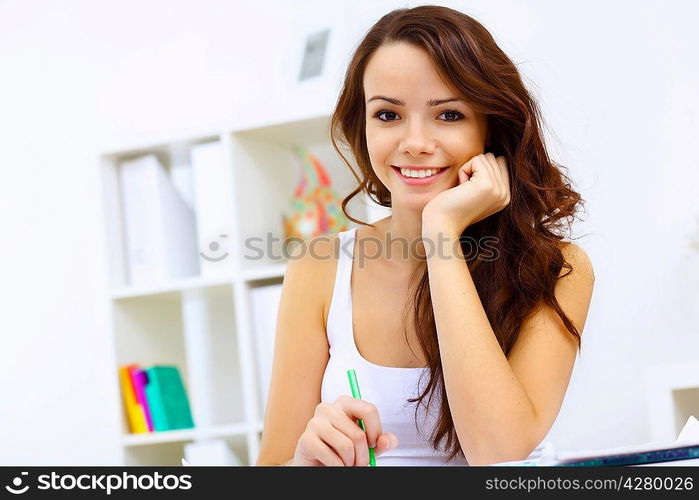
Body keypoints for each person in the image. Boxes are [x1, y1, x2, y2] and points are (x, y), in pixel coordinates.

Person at [256, 5, 594, 466]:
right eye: (388, 115)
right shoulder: (320, 265)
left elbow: (498, 453)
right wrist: (304, 462)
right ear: (364, 126)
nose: (414, 141)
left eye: (449, 115)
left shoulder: (557, 268)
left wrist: (442, 236)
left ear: (491, 127)